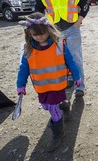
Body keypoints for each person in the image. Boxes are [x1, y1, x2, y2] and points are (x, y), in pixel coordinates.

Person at [16, 12, 81, 152]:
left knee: (52, 109)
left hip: (57, 85)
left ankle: (58, 134)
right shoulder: (28, 49)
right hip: (42, 87)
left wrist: (77, 76)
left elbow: (70, 61)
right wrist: (20, 85)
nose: (39, 36)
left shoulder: (59, 44)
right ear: (29, 33)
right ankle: (65, 106)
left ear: (48, 29)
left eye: (42, 33)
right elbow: (23, 69)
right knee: (46, 106)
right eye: (35, 34)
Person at [35, 0, 89, 98]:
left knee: (76, 57)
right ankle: (68, 80)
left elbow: (85, 3)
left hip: (72, 28)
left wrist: (80, 20)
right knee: (59, 59)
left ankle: (80, 87)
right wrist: (40, 27)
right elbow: (39, 8)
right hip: (54, 31)